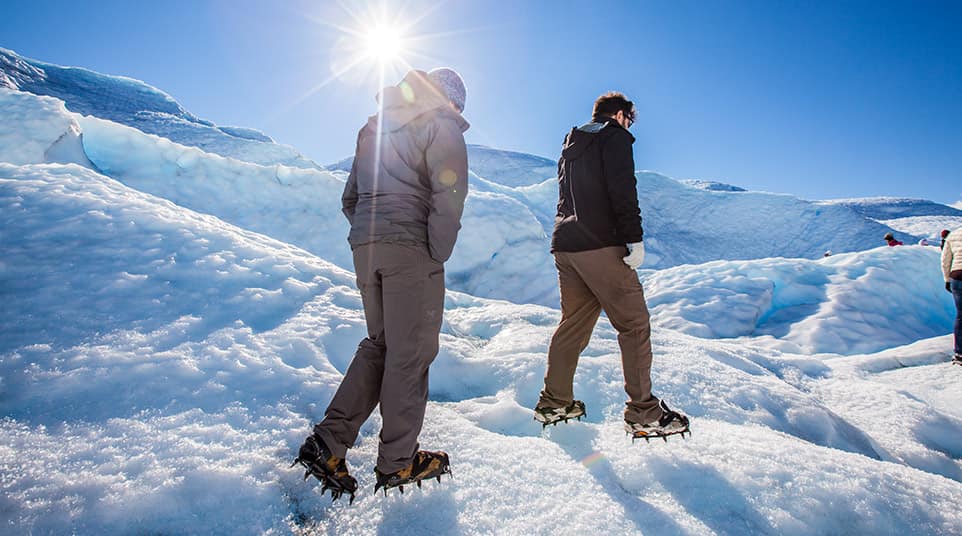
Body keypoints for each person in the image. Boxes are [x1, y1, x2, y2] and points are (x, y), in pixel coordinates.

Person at [293, 68, 469, 501]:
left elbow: (349, 198)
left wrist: (373, 237)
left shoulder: (375, 126)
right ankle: (398, 462)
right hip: (411, 250)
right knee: (410, 353)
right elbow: (449, 196)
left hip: (367, 247)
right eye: (459, 105)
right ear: (447, 100)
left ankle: (328, 443)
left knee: (383, 344)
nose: (459, 112)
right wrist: (433, 251)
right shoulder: (441, 125)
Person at [532, 92, 689, 441]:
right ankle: (644, 413)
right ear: (620, 115)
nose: (630, 126)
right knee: (634, 324)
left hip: (566, 246)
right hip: (600, 244)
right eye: (630, 120)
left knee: (573, 325)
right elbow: (622, 189)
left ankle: (554, 401)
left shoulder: (571, 144)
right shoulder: (614, 137)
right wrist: (634, 238)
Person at [942, 226, 962, 364]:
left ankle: (960, 353)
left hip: (957, 276)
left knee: (961, 315)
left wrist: (947, 280)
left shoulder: (953, 235)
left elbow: (945, 260)